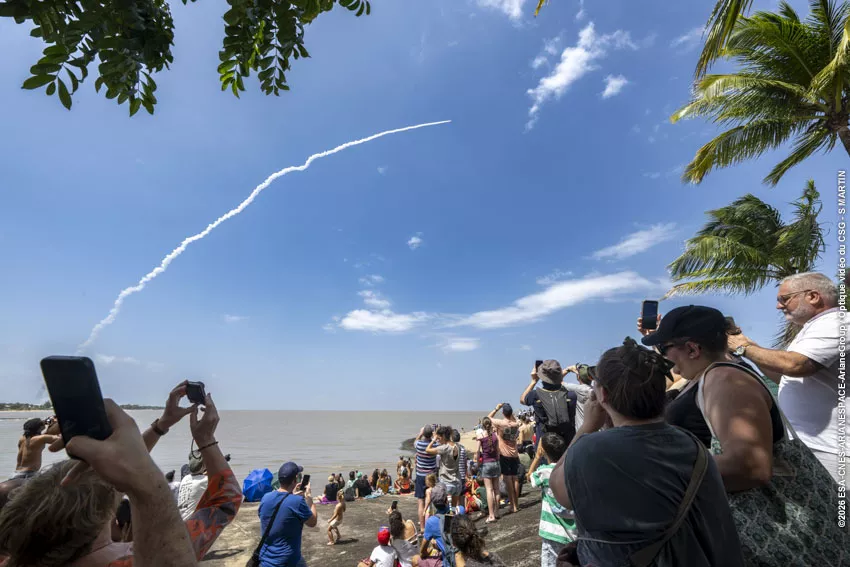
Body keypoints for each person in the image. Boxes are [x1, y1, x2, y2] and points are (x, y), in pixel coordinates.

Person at [645, 305, 850, 565]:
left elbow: (750, 467)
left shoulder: (725, 379)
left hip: (774, 530)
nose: (665, 358)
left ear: (693, 349)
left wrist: (657, 467)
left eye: (665, 349)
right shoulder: (709, 376)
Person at [0, 382, 241, 567]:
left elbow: (115, 472)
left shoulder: (15, 556)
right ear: (104, 517)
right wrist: (205, 439)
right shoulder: (149, 556)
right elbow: (224, 501)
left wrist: (161, 425)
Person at [549, 341, 744, 567]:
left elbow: (558, 488)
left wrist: (587, 427)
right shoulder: (692, 445)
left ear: (602, 395)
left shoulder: (588, 451)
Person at [726, 272, 843, 480]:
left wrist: (742, 347)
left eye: (784, 299)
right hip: (818, 446)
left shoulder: (837, 323)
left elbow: (796, 365)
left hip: (834, 449)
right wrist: (750, 346)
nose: (779, 306)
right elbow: (785, 377)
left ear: (813, 296)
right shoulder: (813, 329)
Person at [527, 433, 575, 567]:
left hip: (552, 531)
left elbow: (529, 477)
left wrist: (537, 457)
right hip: (574, 531)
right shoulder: (571, 469)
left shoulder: (544, 472)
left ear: (543, 451)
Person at [257, 462, 318, 567]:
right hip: (288, 561)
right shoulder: (297, 501)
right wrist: (309, 499)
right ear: (295, 479)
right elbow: (312, 522)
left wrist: (291, 495)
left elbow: (266, 515)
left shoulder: (265, 498)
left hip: (266, 559)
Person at [520, 360, 577, 449]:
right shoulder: (571, 396)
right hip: (567, 446)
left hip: (544, 447)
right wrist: (567, 371)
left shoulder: (535, 395)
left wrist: (534, 381)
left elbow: (523, 400)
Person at [486, 403, 520, 514]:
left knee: (508, 479)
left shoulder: (501, 423)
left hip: (504, 454)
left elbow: (487, 418)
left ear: (503, 413)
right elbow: (514, 419)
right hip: (514, 454)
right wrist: (511, 415)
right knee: (515, 478)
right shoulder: (516, 424)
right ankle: (516, 504)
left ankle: (512, 505)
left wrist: (496, 408)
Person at [426, 425, 461, 506]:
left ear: (443, 437)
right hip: (457, 482)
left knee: (445, 510)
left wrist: (433, 440)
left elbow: (427, 450)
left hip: (446, 481)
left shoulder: (444, 448)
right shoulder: (457, 446)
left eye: (439, 438)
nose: (438, 440)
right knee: (454, 508)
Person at [475, 417, 500, 523]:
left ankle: (491, 515)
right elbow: (498, 450)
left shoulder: (480, 436)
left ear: (483, 426)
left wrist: (477, 462)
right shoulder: (495, 435)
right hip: (496, 462)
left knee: (489, 490)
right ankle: (497, 511)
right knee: (496, 489)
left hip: (487, 463)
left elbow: (477, 451)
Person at [414, 425, 439, 529]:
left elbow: (415, 442)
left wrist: (420, 434)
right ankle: (432, 524)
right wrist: (434, 436)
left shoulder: (419, 444)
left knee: (421, 502)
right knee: (433, 500)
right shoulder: (435, 445)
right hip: (431, 475)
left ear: (423, 434)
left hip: (420, 475)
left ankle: (422, 527)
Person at [177, 449, 208, 520]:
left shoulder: (185, 478)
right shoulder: (205, 480)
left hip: (179, 520)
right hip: (191, 523)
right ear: (204, 465)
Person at [561, 365, 594, 432]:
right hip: (599, 430)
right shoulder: (596, 390)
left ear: (578, 377)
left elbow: (556, 381)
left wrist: (568, 369)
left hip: (582, 432)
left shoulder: (577, 389)